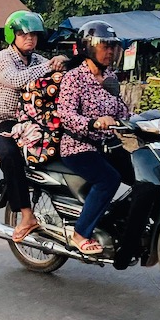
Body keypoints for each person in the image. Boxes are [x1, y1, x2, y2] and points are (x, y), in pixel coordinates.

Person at [54, 21, 130, 256]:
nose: (109, 52)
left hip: (107, 145)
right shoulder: (74, 78)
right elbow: (65, 114)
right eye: (104, 47)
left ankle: (120, 226)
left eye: (112, 48)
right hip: (78, 146)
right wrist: (92, 122)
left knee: (144, 178)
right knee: (109, 180)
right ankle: (80, 234)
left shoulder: (111, 77)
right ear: (88, 48)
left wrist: (144, 121)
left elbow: (122, 110)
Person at [0, 10, 65, 241]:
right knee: (10, 157)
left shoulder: (38, 60)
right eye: (23, 34)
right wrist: (51, 66)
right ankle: (26, 214)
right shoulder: (4, 59)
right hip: (4, 124)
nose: (29, 39)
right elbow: (17, 79)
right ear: (12, 35)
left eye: (33, 34)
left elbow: (60, 71)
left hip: (35, 124)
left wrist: (64, 61)